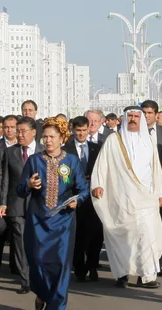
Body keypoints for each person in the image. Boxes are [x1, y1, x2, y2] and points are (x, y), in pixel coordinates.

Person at [91, 106, 162, 289]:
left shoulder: (149, 140)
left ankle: (147, 276)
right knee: (123, 238)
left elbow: (156, 168)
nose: (133, 119)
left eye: (136, 116)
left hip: (146, 199)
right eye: (130, 116)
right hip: (122, 199)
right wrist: (98, 184)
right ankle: (122, 274)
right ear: (125, 118)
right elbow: (102, 165)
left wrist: (161, 191)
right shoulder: (113, 140)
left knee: (146, 237)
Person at [18, 117, 89, 310]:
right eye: (45, 137)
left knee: (60, 266)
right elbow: (19, 189)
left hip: (63, 222)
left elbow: (83, 189)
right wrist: (29, 185)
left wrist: (77, 200)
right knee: (38, 262)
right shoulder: (34, 160)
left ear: (62, 138)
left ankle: (56, 306)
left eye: (52, 137)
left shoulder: (71, 161)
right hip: (38, 221)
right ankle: (42, 293)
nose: (48, 141)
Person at [0, 116, 44, 294]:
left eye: (23, 131)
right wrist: (3, 203)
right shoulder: (10, 152)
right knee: (20, 242)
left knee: (38, 242)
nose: (19, 135)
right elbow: (5, 180)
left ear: (33, 132)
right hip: (16, 203)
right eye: (17, 131)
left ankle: (38, 275)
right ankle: (25, 280)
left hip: (39, 204)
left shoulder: (43, 151)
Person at [63, 115, 103, 282]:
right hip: (74, 196)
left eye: (84, 130)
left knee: (96, 233)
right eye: (78, 130)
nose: (81, 134)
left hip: (94, 196)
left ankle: (93, 265)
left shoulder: (97, 148)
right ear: (73, 130)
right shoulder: (65, 149)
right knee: (77, 234)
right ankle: (79, 267)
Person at [141, 99, 162, 276]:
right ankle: (142, 262)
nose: (146, 116)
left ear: (156, 115)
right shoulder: (134, 132)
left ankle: (157, 262)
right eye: (144, 113)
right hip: (141, 187)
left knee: (160, 224)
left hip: (161, 187)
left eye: (150, 113)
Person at [0, 114, 20, 271]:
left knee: (16, 229)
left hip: (16, 193)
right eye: (6, 127)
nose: (9, 130)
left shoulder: (22, 145)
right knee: (0, 227)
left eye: (12, 127)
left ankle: (15, 263)